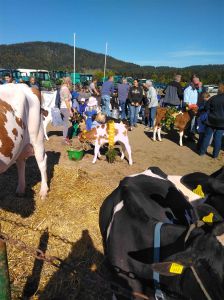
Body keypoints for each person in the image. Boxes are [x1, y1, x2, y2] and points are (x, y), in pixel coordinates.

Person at [200, 83, 224, 158]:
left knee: (207, 136)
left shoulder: (213, 98)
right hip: (222, 122)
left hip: (211, 120)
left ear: (218, 90)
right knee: (218, 138)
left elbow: (206, 108)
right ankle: (215, 155)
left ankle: (202, 152)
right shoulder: (213, 98)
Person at [59, 77, 73, 144]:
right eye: (70, 83)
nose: (71, 84)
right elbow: (66, 101)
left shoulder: (62, 88)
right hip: (65, 108)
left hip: (63, 107)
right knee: (66, 124)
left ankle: (65, 138)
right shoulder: (66, 89)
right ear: (68, 82)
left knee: (65, 124)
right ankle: (65, 139)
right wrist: (70, 110)